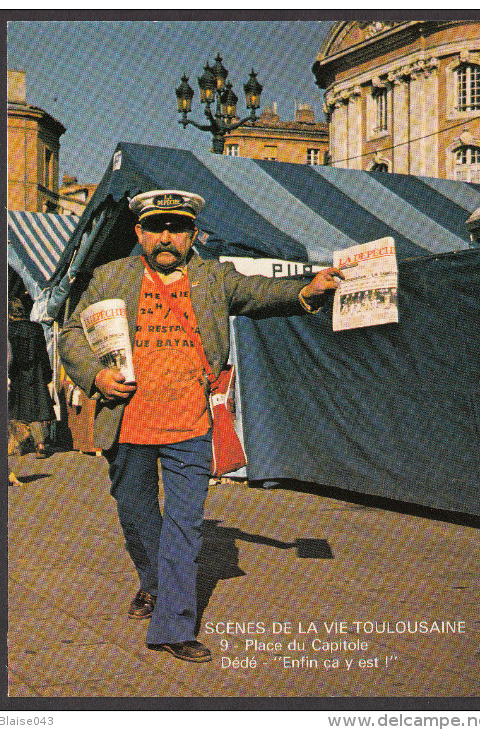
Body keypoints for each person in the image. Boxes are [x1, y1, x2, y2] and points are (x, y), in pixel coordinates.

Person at [58, 189, 346, 663]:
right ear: (140, 233)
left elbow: (261, 293)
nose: (166, 237)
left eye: (177, 228)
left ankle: (172, 624)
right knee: (136, 514)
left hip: (190, 424)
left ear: (194, 234)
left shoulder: (214, 277)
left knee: (185, 524)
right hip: (128, 424)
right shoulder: (112, 277)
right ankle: (152, 583)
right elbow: (72, 333)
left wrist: (310, 288)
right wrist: (97, 375)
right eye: (156, 228)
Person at [8, 298, 55, 459]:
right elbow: (43, 354)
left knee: (15, 411)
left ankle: (17, 446)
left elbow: (8, 356)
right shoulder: (36, 328)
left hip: (16, 375)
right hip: (36, 375)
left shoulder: (8, 330)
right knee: (35, 410)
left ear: (10, 314)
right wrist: (48, 375)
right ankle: (40, 444)